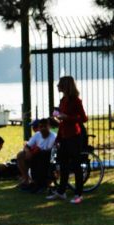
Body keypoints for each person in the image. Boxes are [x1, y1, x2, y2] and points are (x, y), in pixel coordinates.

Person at [46, 76, 88, 204]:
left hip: (74, 136)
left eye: (59, 84)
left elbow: (84, 118)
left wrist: (67, 117)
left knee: (76, 166)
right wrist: (58, 136)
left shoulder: (76, 101)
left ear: (65, 86)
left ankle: (78, 194)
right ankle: (61, 191)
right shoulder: (63, 100)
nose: (57, 86)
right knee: (63, 165)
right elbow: (62, 122)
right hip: (64, 136)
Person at [17, 118, 56, 192]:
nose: (43, 128)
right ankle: (26, 180)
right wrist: (28, 151)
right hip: (36, 156)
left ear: (49, 127)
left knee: (41, 156)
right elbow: (27, 146)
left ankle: (41, 183)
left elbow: (50, 151)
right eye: (41, 127)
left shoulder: (53, 137)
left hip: (48, 158)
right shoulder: (37, 135)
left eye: (45, 126)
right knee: (20, 155)